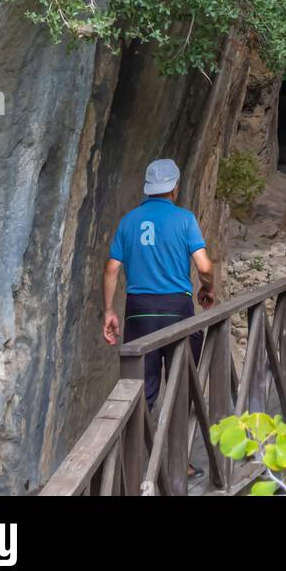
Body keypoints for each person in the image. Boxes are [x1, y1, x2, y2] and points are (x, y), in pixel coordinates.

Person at [102, 158, 215, 410]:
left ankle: (139, 447)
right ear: (175, 188)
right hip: (177, 308)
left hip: (139, 311)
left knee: (142, 389)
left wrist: (109, 311)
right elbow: (204, 267)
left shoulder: (129, 220)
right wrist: (207, 287)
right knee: (182, 383)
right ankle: (178, 444)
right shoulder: (185, 219)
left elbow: (112, 268)